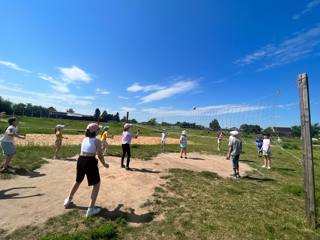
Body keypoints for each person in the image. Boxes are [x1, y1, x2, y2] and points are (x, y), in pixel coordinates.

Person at [64, 123, 109, 217]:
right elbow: (100, 155)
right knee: (96, 184)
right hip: (90, 161)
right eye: (98, 130)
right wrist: (105, 164)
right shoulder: (97, 140)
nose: (99, 131)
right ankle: (90, 209)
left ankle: (68, 200)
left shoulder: (84, 139)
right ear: (96, 131)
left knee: (78, 181)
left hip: (80, 160)